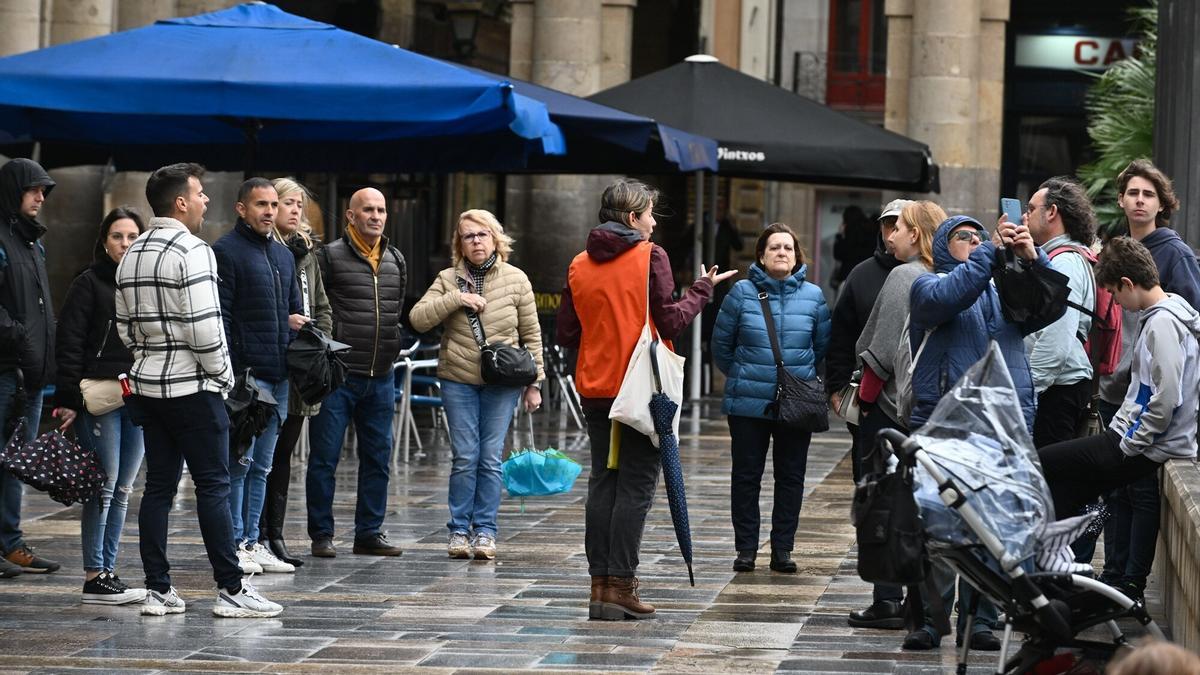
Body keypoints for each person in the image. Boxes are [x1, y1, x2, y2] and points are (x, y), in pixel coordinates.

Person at [556, 178, 734, 621]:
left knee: (604, 482)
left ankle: (600, 587)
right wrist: (701, 291)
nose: (654, 223)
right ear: (633, 218)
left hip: (596, 385)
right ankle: (621, 585)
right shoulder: (649, 255)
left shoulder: (579, 264)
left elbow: (566, 333)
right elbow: (670, 322)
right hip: (641, 388)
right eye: (651, 214)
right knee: (635, 486)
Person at [116, 162, 282, 618]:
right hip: (193, 386)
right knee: (213, 484)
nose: (207, 200)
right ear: (181, 202)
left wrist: (147, 357)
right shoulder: (193, 250)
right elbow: (207, 329)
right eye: (201, 193)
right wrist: (224, 377)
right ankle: (231, 588)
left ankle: (158, 589)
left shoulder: (132, 252)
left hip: (149, 385)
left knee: (159, 488)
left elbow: (125, 327)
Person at [902, 215, 1056, 651]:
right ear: (943, 245)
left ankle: (982, 619)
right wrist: (989, 252)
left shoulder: (1001, 287)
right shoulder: (928, 286)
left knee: (993, 525)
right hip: (944, 426)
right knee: (936, 525)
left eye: (978, 236)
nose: (973, 241)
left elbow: (1046, 306)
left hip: (1000, 424)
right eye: (962, 237)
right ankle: (931, 621)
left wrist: (1031, 258)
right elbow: (952, 295)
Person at [410, 209, 544, 561]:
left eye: (482, 235)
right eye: (468, 236)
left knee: (489, 458)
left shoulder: (517, 279)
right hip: (458, 379)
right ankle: (458, 531)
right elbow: (418, 319)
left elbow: (532, 335)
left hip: (503, 382)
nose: (476, 241)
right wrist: (457, 298)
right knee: (465, 457)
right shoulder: (447, 279)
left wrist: (535, 384)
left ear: (496, 238)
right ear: (460, 244)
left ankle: (485, 532)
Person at [1094, 159, 1200, 602]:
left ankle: (1129, 580)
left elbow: (1186, 327)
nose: (1139, 201)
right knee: (1113, 492)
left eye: (1148, 194)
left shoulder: (1173, 253)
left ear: (1162, 203)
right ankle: (1114, 572)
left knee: (1138, 492)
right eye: (1133, 193)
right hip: (1113, 389)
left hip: (1149, 398)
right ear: (1121, 200)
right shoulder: (1113, 248)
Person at [1039, 237, 1200, 523]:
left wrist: (1130, 443)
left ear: (1127, 283)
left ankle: (1055, 555)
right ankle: (1059, 557)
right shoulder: (1165, 313)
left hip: (1140, 445)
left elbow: (1166, 397)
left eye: (1114, 292)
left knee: (1043, 462)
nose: (1116, 302)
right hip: (1135, 439)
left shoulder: (1162, 323)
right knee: (1069, 489)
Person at [846, 200, 945, 628]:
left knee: (883, 504)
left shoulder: (905, 275)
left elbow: (879, 352)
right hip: (929, 408)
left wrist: (863, 405)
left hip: (889, 408)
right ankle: (919, 602)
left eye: (898, 229)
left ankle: (886, 597)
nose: (890, 237)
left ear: (917, 235)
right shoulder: (950, 276)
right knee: (923, 507)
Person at [712, 222, 829, 575]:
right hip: (748, 402)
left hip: (797, 402)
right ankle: (746, 549)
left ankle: (782, 550)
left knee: (791, 476)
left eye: (788, 248)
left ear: (796, 257)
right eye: (774, 247)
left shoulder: (814, 297)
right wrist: (746, 374)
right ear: (761, 256)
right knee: (746, 476)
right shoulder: (741, 293)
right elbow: (721, 346)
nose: (781, 252)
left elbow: (820, 347)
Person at [53, 206, 147, 604]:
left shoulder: (145, 284)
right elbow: (69, 343)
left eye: (131, 237)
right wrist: (69, 399)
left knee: (124, 487)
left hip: (138, 395)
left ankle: (109, 570)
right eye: (117, 237)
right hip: (99, 395)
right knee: (103, 487)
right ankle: (94, 574)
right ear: (104, 241)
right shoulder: (88, 283)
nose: (124, 244)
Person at [306, 187, 406, 558]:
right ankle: (321, 533)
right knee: (324, 458)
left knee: (378, 457)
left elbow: (395, 311)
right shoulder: (329, 256)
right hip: (338, 376)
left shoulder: (395, 258)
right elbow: (318, 308)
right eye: (367, 210)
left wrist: (393, 346)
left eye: (381, 210)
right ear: (351, 216)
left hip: (381, 375)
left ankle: (369, 531)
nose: (376, 216)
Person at [213, 177, 302, 575]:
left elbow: (293, 312)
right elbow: (223, 317)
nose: (269, 211)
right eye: (261, 204)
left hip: (279, 374)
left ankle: (253, 538)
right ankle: (235, 543)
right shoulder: (225, 252)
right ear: (241, 208)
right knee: (241, 462)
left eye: (272, 204)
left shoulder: (283, 256)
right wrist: (232, 372)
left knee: (263, 465)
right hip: (247, 377)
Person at [257, 177, 331, 568]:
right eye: (288, 203)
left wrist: (321, 344)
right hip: (272, 363)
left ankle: (276, 533)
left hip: (303, 365)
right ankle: (256, 534)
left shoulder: (306, 253)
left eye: (299, 204)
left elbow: (322, 305)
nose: (295, 210)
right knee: (262, 454)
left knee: (284, 452)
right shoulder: (267, 250)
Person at [0, 158, 60, 578]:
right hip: (5, 370)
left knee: (14, 464)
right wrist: (18, 334)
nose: (41, 198)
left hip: (31, 375)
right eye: (34, 189)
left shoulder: (33, 242)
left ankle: (9, 542)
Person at [826, 198, 912, 483]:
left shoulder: (933, 273)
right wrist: (836, 387)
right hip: (870, 395)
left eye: (900, 225)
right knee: (869, 478)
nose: (893, 233)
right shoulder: (861, 274)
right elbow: (841, 334)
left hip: (915, 397)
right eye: (888, 225)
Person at [1022, 177, 1098, 447]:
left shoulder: (1065, 262)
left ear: (1052, 212)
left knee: (1049, 480)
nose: (1024, 216)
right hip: (1057, 386)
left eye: (1031, 209)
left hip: (1057, 389)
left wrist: (1026, 390)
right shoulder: (1057, 259)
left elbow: (1057, 339)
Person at [831, 205, 874, 291]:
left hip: (847, 276)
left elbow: (838, 254)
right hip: (865, 276)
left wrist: (840, 235)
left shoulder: (848, 236)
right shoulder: (869, 232)